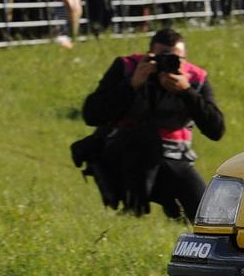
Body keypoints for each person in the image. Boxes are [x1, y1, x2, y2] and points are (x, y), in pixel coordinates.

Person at [81, 26, 225, 218]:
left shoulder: (195, 79)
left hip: (173, 157)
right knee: (145, 138)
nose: (167, 64)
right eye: (161, 58)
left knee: (205, 213)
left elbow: (216, 130)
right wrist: (131, 85)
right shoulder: (128, 68)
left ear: (185, 59)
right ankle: (134, 210)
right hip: (122, 156)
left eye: (175, 59)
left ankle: (174, 216)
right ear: (149, 55)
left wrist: (187, 93)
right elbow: (91, 114)